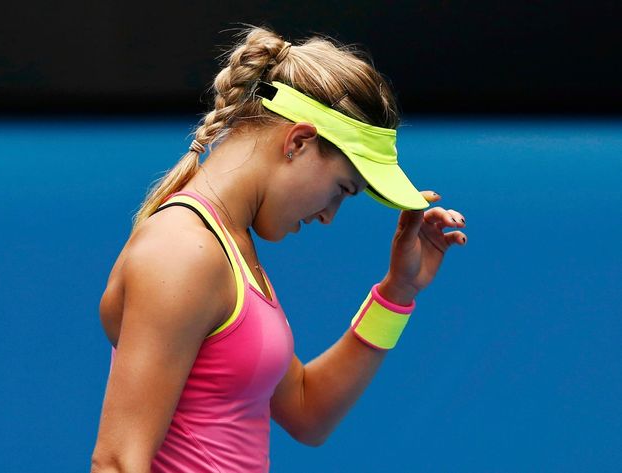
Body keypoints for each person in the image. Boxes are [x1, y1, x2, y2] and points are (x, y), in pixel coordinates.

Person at [90, 25, 468, 473]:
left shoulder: (228, 249)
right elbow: (117, 462)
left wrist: (397, 292)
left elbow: (308, 413)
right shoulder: (185, 251)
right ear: (299, 142)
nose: (329, 215)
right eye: (342, 189)